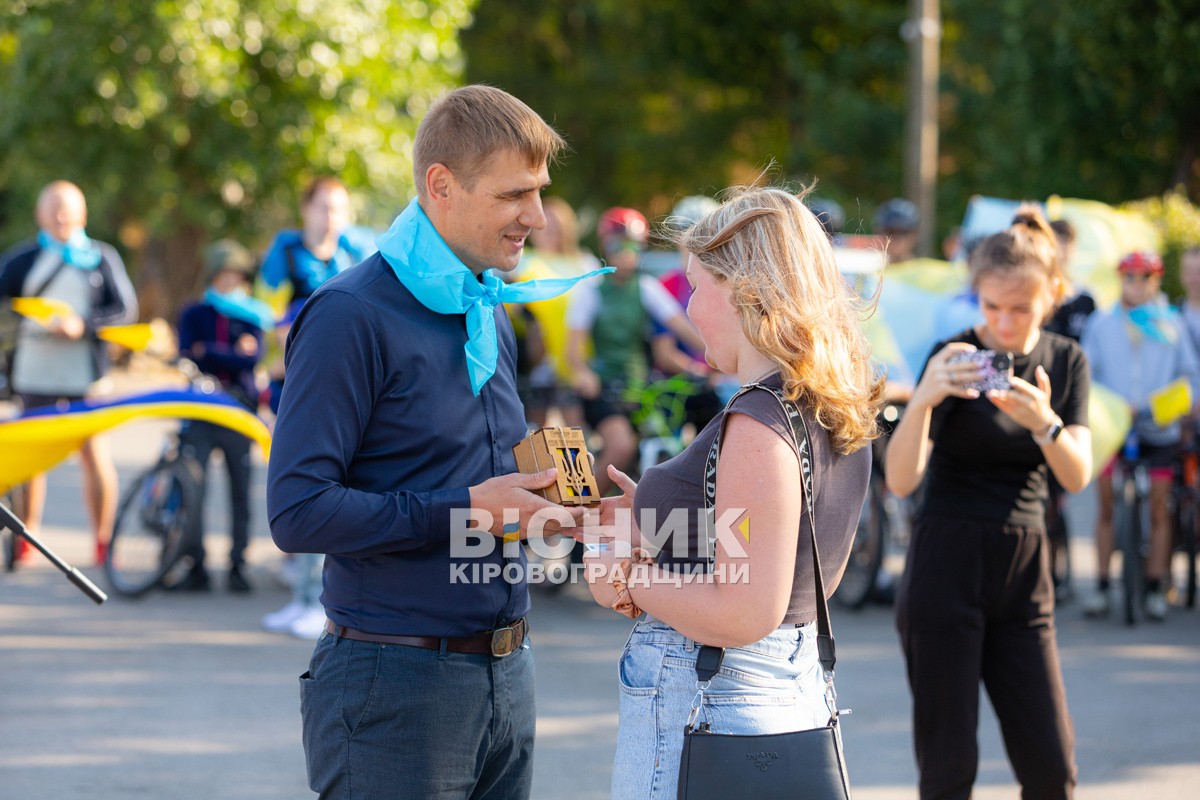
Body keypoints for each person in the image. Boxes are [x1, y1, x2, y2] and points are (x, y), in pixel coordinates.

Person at [267, 84, 599, 799]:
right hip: (394, 686)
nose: (537, 218)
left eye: (539, 193)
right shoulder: (348, 314)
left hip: (510, 675)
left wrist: (553, 498)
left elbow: (479, 476)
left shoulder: (489, 307)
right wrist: (469, 509)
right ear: (441, 185)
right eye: (516, 195)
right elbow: (296, 511)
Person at [576, 186, 882, 799]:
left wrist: (628, 578)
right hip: (778, 697)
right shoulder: (822, 401)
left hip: (716, 702)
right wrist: (660, 516)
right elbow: (782, 544)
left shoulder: (757, 419)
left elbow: (746, 610)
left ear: (743, 288)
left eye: (695, 286)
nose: (688, 309)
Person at [886, 205, 1092, 800]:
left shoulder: (1065, 359)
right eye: (990, 307)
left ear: (1051, 295)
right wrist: (923, 399)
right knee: (949, 770)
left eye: (1020, 308)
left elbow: (1075, 477)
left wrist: (1044, 423)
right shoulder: (952, 356)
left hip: (1025, 573)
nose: (1003, 323)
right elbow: (902, 482)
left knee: (1052, 769)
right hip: (944, 563)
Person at [0, 180, 138, 566]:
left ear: (82, 213)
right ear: (40, 214)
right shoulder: (22, 259)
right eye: (53, 208)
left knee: (94, 455)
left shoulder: (100, 256)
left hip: (85, 374)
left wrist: (83, 324)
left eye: (68, 208)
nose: (61, 216)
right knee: (31, 458)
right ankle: (26, 537)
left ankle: (102, 540)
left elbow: (125, 309)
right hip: (33, 372)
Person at [257, 176, 371, 638]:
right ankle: (302, 597)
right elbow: (260, 312)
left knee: (329, 490)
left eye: (339, 209)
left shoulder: (355, 253)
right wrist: (282, 336)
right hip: (292, 381)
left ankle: (319, 603)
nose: (331, 217)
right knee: (299, 488)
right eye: (324, 207)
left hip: (342, 385)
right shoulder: (284, 253)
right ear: (305, 209)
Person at [1080, 250, 1200, 622]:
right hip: (1113, 427)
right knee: (1105, 504)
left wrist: (1169, 407)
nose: (1136, 284)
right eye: (1129, 276)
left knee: (1160, 509)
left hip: (1157, 426)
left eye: (1144, 277)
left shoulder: (1172, 324)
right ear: (1121, 280)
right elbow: (1085, 373)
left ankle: (1153, 588)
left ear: (1156, 281)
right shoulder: (1101, 323)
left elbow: (1189, 379)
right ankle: (1101, 586)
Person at [565, 207, 705, 493]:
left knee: (672, 445)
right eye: (619, 244)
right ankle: (577, 507)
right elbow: (573, 348)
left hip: (641, 388)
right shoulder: (590, 289)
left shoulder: (646, 287)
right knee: (619, 445)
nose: (626, 253)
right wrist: (581, 371)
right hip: (604, 387)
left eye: (633, 246)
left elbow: (681, 327)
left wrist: (718, 353)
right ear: (606, 244)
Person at [172, 240, 271, 593]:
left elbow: (251, 358)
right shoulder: (195, 313)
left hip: (239, 408)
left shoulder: (252, 315)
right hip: (200, 408)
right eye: (224, 274)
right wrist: (228, 352)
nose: (230, 281)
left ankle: (237, 565)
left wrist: (209, 352)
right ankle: (193, 562)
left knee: (240, 491)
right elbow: (187, 355)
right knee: (192, 487)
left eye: (236, 275)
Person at [1041, 217, 1096, 603]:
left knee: (1062, 492)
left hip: (1069, 396)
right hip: (1040, 392)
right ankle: (1046, 573)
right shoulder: (1039, 298)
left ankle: (1061, 574)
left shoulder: (1086, 301)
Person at [874, 197, 921, 266]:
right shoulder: (871, 273)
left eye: (904, 231)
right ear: (879, 233)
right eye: (891, 231)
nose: (897, 237)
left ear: (915, 234)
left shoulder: (929, 272)